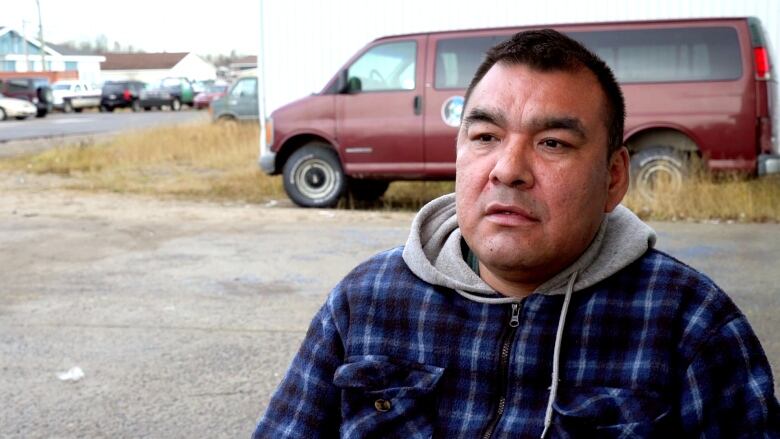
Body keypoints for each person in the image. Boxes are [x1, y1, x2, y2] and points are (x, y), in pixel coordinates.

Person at [253, 29, 779, 438]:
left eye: (552, 143)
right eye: (485, 136)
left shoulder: (689, 323)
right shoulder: (365, 303)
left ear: (613, 177)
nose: (508, 169)